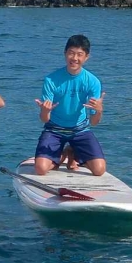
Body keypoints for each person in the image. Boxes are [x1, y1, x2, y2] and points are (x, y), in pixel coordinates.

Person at [33, 34, 106, 176]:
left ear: (86, 57)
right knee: (41, 169)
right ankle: (63, 153)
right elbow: (44, 119)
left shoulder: (93, 82)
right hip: (54, 130)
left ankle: (73, 151)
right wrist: (44, 110)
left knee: (99, 170)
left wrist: (98, 111)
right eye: (71, 53)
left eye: (80, 54)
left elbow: (94, 122)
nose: (75, 58)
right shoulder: (51, 80)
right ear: (65, 53)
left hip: (80, 130)